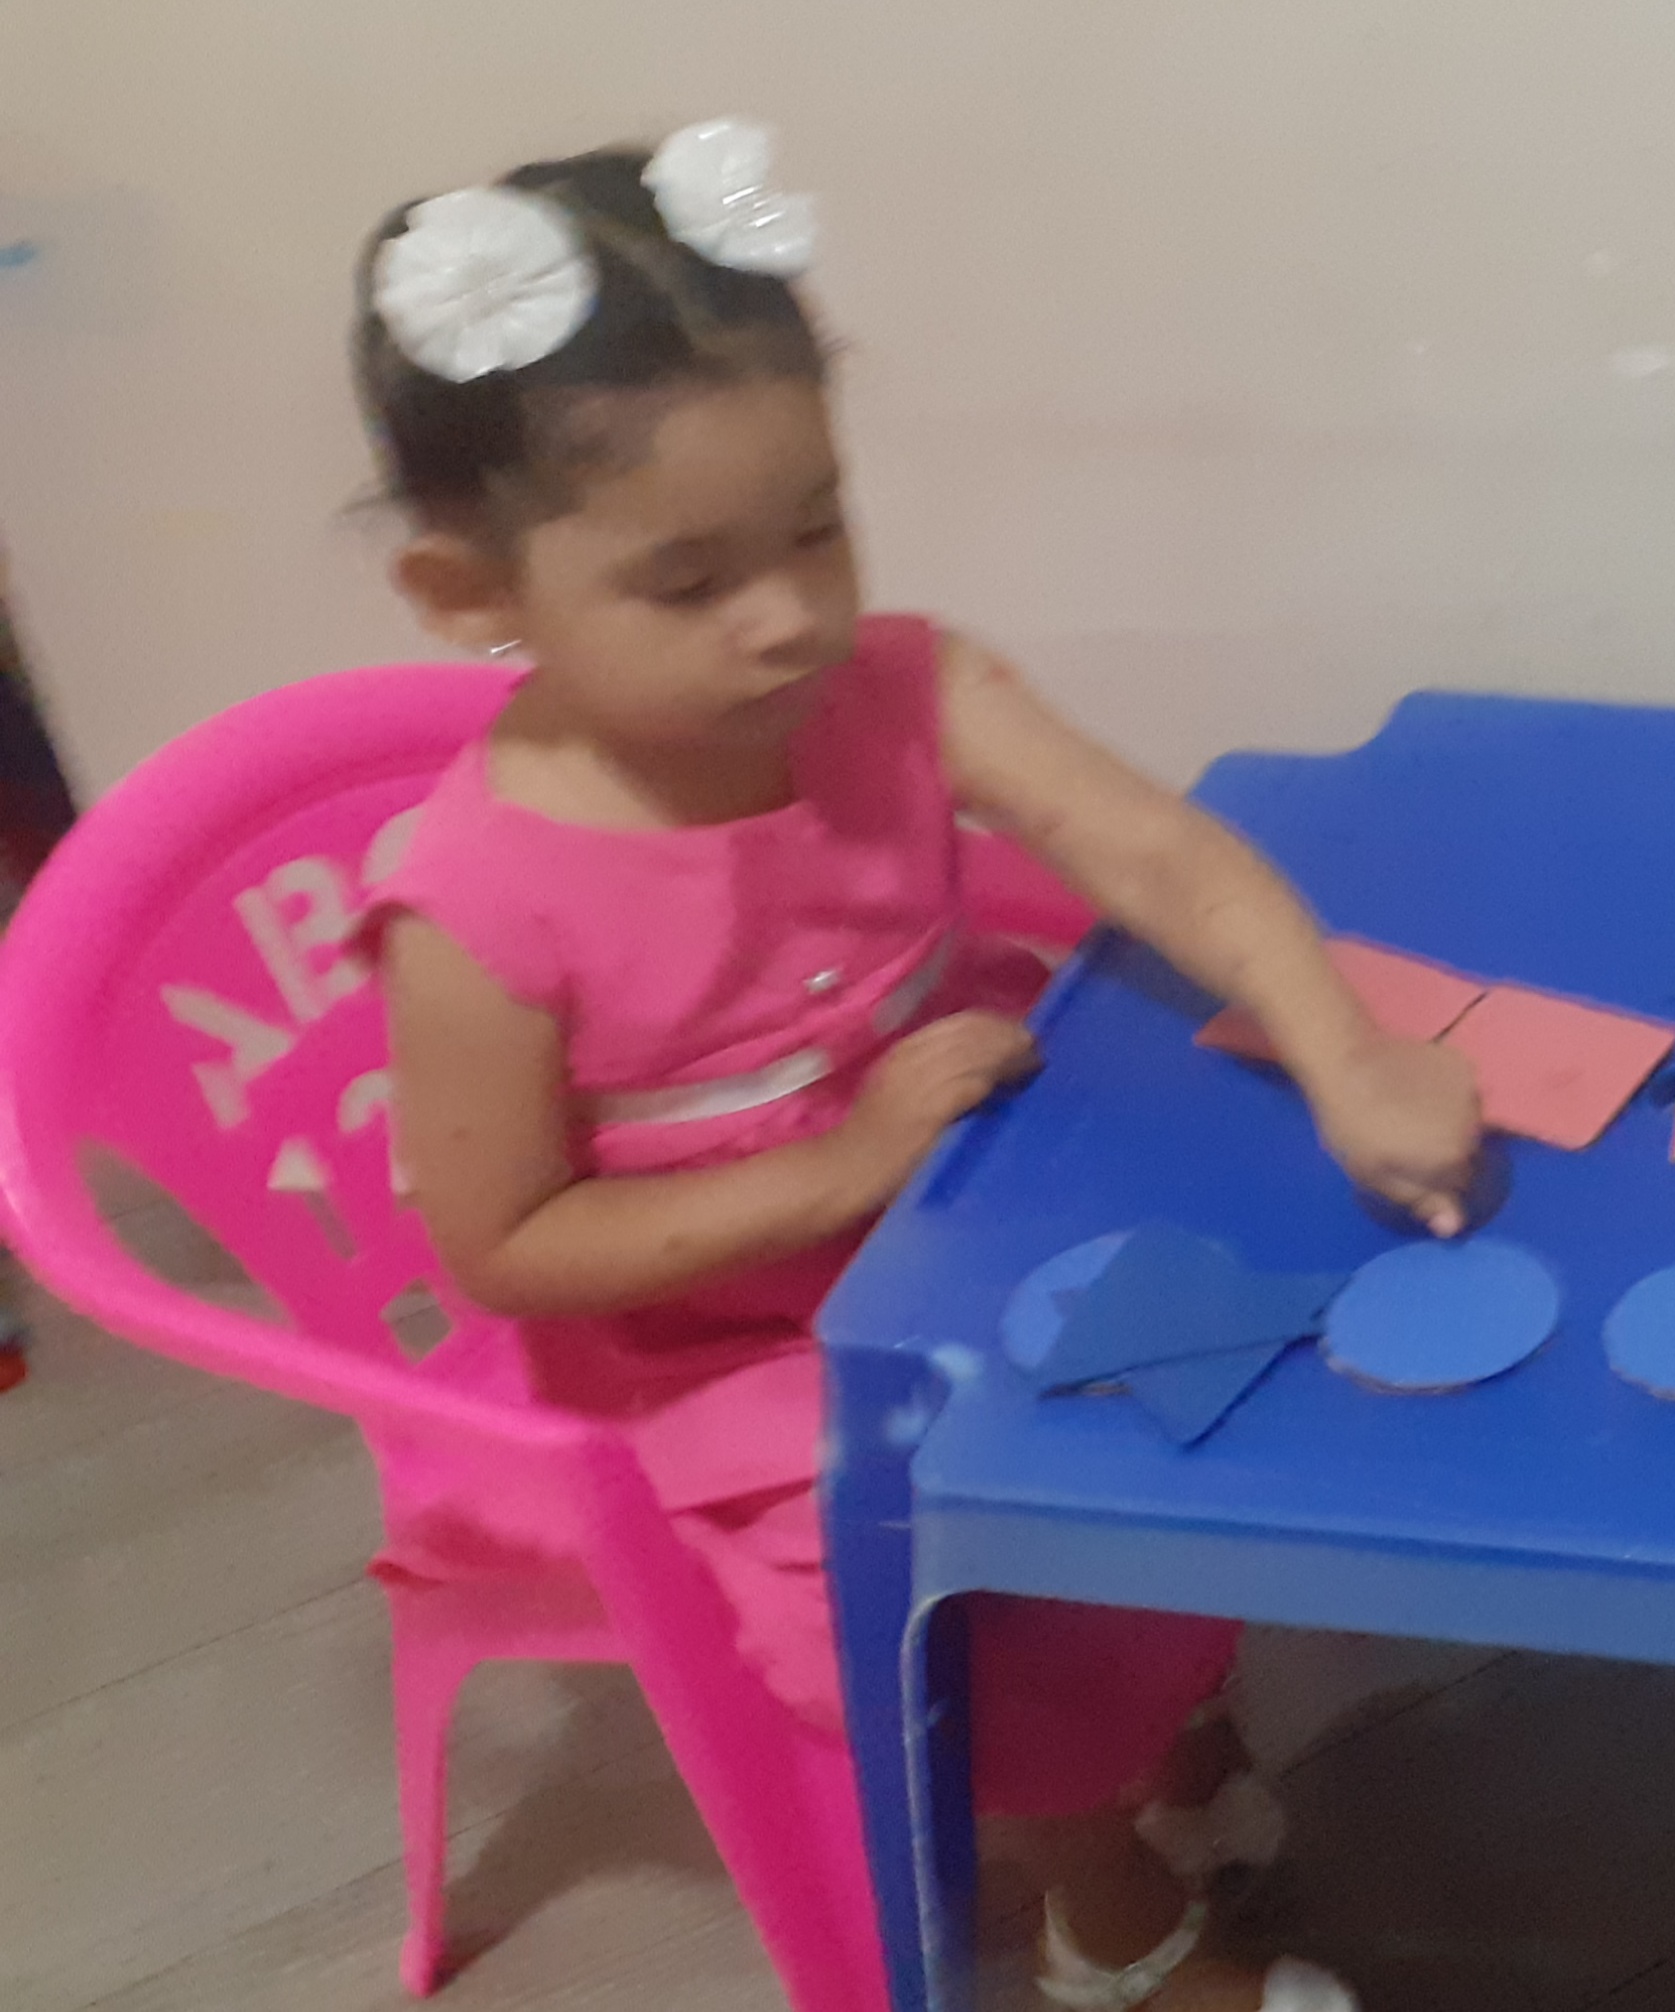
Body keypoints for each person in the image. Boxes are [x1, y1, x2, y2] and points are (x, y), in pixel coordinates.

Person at [356, 124, 1481, 2012]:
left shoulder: (899, 684)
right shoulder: (476, 906)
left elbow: (1159, 854)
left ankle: (1159, 1726)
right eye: (688, 580)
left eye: (817, 527)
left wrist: (1350, 1049)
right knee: (953, 1559)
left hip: (977, 1197)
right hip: (721, 1353)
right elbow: (507, 1247)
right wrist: (838, 1168)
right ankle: (1110, 1916)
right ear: (472, 594)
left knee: (1214, 1372)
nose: (789, 614)